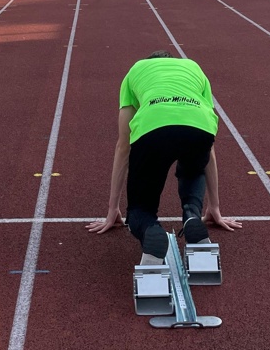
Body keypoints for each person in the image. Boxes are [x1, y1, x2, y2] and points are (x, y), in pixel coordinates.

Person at [86, 51, 241, 265]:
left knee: (140, 210)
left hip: (153, 125)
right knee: (193, 169)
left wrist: (113, 209)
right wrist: (214, 206)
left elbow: (123, 146)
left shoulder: (136, 70)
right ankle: (192, 215)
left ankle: (150, 230)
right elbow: (209, 154)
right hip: (200, 125)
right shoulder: (193, 68)